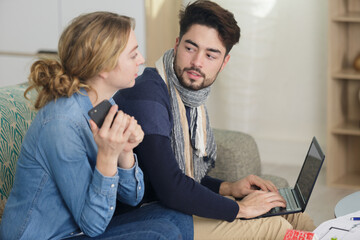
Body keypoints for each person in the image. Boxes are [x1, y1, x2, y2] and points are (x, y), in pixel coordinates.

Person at [113, 1, 316, 239]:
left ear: (224, 62)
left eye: (211, 55)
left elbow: (183, 173)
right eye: (191, 48)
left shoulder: (190, 98)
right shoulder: (148, 94)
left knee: (295, 216)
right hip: (150, 216)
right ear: (177, 45)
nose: (197, 62)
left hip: (170, 204)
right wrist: (241, 208)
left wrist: (229, 188)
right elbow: (170, 187)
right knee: (275, 227)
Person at [0, 11, 193, 240]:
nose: (141, 59)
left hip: (78, 230)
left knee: (177, 216)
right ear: (104, 67)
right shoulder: (61, 125)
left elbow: (133, 197)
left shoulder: (103, 104)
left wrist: (126, 153)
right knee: (164, 233)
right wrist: (108, 156)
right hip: (50, 236)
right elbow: (93, 224)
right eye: (132, 55)